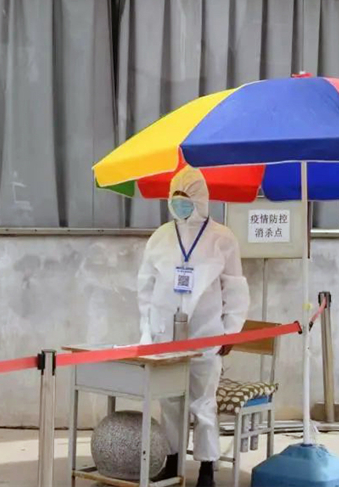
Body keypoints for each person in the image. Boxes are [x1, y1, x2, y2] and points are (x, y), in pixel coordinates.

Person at [137, 166, 249, 487]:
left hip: (206, 333)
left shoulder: (222, 238)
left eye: (185, 197)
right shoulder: (160, 237)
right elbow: (145, 288)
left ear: (200, 199)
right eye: (175, 197)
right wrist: (146, 332)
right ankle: (173, 460)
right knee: (169, 400)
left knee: (203, 402)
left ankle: (206, 467)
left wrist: (231, 330)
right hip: (165, 333)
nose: (179, 203)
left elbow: (235, 288)